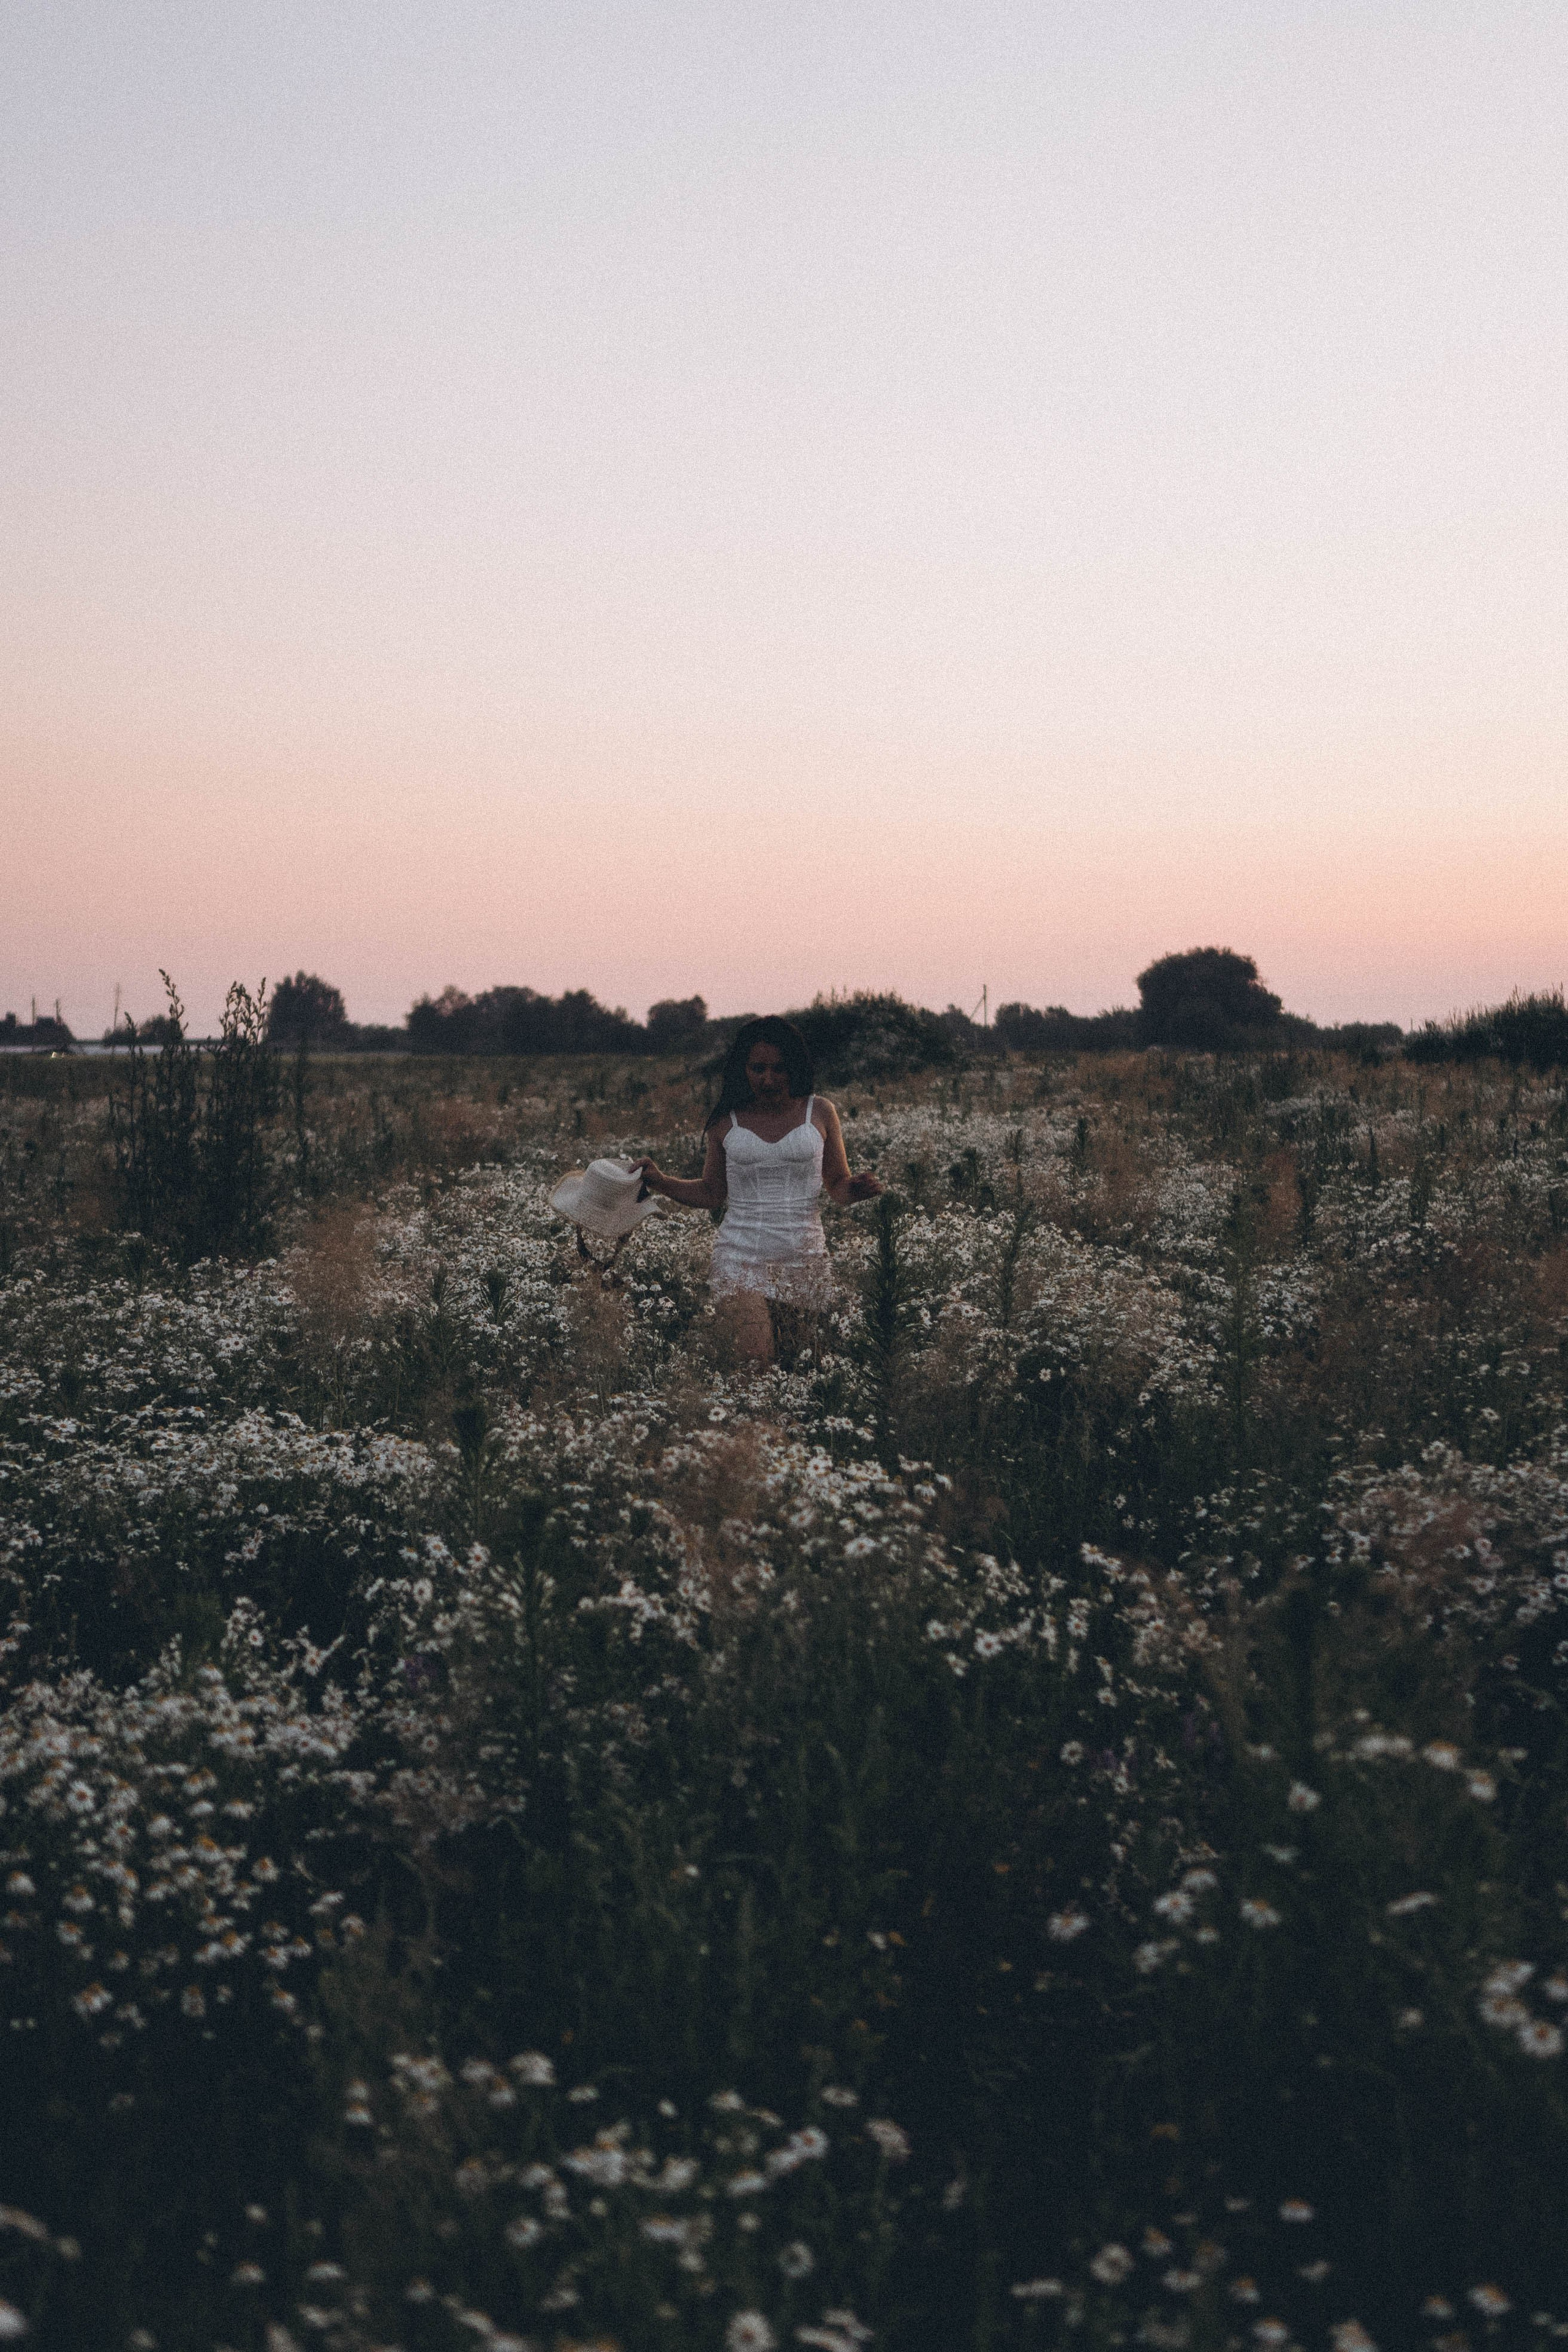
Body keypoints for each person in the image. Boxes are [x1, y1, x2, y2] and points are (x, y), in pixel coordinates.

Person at [630, 1016, 882, 1359]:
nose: (768, 1079)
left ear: (795, 1067)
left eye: (779, 1069)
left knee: (796, 1370)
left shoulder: (820, 1111)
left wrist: (856, 1189)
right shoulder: (726, 1119)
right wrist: (661, 1181)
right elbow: (711, 1192)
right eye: (758, 1068)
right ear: (742, 1068)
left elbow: (837, 1185)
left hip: (804, 1261)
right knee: (756, 1367)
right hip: (740, 1258)